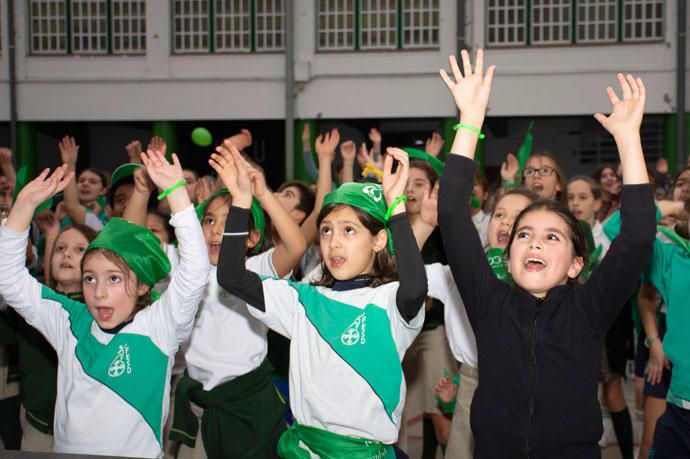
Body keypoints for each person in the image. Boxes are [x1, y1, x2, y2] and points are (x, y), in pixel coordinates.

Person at [437, 49, 655, 457]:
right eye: (525, 234)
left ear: (577, 264)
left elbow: (639, 236)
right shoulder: (488, 302)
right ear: (509, 248)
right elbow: (450, 211)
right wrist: (469, 121)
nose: (535, 242)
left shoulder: (589, 309)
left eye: (553, 237)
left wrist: (628, 140)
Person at [213, 143, 427, 457]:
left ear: (379, 239)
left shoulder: (388, 302)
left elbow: (414, 289)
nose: (334, 243)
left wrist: (396, 210)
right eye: (326, 231)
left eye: (349, 230)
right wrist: (242, 201)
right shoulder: (302, 300)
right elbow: (231, 276)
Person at [0, 148, 210, 458]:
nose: (98, 292)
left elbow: (195, 274)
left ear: (141, 286)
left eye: (114, 279)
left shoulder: (160, 325)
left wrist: (177, 194)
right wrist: (23, 207)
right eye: (89, 279)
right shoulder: (69, 320)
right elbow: (9, 279)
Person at [169, 139, 306, 459]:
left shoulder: (255, 270)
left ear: (253, 237)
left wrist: (262, 194)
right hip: (198, 401)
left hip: (247, 400)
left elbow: (296, 245)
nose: (217, 231)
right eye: (210, 221)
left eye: (230, 221)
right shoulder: (189, 270)